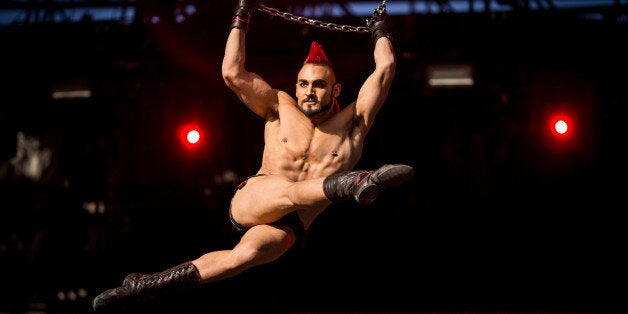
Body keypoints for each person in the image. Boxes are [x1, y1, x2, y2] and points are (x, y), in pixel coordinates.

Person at [92, 0, 414, 312]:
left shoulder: (355, 122)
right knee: (290, 191)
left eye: (318, 85)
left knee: (240, 259)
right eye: (303, 83)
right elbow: (233, 73)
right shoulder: (280, 105)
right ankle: (351, 183)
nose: (309, 91)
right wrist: (242, 13)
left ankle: (143, 286)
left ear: (336, 90)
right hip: (257, 197)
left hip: (292, 224)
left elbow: (385, 68)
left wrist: (379, 30)